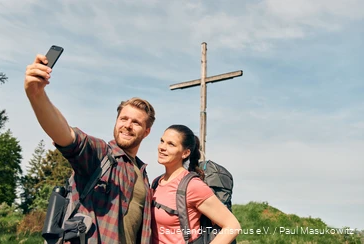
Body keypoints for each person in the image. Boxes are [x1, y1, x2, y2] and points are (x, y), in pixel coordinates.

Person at [24, 54, 156, 244]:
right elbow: (67, 136)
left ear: (146, 131)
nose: (127, 125)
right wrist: (37, 95)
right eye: (123, 119)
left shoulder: (143, 174)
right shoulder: (101, 154)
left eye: (136, 122)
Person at [151, 124, 241, 243]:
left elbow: (233, 226)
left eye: (170, 144)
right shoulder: (157, 182)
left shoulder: (192, 186)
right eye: (162, 141)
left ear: (185, 153)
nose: (162, 147)